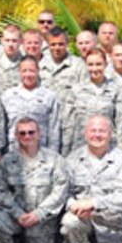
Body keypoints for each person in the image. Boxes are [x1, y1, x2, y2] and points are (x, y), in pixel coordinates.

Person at [0, 118, 68, 243]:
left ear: (39, 134)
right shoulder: (7, 160)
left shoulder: (54, 160)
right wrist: (18, 213)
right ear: (16, 136)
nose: (27, 136)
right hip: (15, 216)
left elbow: (60, 191)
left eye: (31, 132)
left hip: (41, 219)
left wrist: (38, 214)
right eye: (22, 133)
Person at [60, 115, 122, 243]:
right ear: (86, 133)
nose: (97, 135)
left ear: (110, 134)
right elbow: (63, 193)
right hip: (82, 220)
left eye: (102, 131)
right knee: (70, 222)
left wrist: (94, 204)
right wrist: (74, 206)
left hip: (110, 226)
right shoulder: (72, 160)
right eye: (93, 130)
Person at [67, 49, 122, 154]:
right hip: (81, 149)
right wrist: (66, 154)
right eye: (90, 65)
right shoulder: (76, 91)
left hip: (109, 150)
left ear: (106, 65)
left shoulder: (116, 90)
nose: (95, 68)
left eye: (99, 64)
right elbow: (68, 126)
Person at [39, 26, 87, 154]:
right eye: (53, 44)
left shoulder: (78, 66)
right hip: (45, 126)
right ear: (48, 44)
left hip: (71, 128)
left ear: (67, 44)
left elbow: (85, 98)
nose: (57, 48)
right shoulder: (39, 66)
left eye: (60, 44)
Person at [1, 56, 61, 153]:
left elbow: (54, 130)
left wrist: (53, 155)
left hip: (41, 152)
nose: (28, 75)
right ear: (19, 72)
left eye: (32, 71)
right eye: (24, 71)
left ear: (38, 71)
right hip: (13, 152)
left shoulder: (49, 96)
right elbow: (1, 128)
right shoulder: (7, 96)